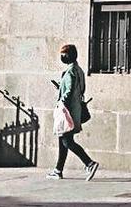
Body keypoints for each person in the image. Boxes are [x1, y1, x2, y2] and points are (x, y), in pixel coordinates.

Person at [47, 43, 99, 180]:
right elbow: (78, 89)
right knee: (63, 139)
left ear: (68, 56)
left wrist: (62, 100)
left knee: (67, 141)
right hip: (74, 109)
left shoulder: (70, 71)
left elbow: (70, 90)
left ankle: (89, 163)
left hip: (67, 111)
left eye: (63, 55)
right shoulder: (79, 70)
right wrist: (60, 87)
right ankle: (58, 170)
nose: (62, 57)